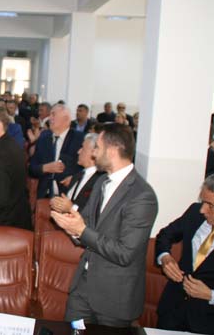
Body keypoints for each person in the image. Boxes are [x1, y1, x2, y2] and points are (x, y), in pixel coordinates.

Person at [51, 123, 158, 327]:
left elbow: (125, 253)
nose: (94, 153)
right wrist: (72, 227)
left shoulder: (142, 196)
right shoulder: (101, 182)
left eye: (97, 148)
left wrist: (81, 230)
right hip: (82, 288)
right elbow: (87, 225)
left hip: (114, 298)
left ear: (112, 151)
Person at [155, 175, 214, 334]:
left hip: (207, 324)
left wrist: (211, 295)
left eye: (210, 205)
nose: (203, 210)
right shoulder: (195, 213)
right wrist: (164, 257)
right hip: (172, 314)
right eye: (203, 201)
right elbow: (165, 235)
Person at [29, 104, 84, 198]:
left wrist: (75, 179)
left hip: (68, 197)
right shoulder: (44, 138)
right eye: (50, 114)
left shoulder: (79, 139)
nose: (49, 118)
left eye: (53, 114)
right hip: (45, 196)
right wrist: (45, 168)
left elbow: (88, 168)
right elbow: (31, 169)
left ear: (66, 119)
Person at [50, 133, 105, 214]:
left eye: (83, 148)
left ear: (94, 152)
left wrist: (71, 208)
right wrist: (58, 203)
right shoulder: (77, 176)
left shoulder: (102, 180)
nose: (78, 152)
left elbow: (94, 214)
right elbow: (68, 201)